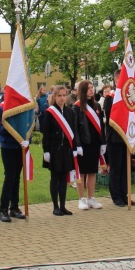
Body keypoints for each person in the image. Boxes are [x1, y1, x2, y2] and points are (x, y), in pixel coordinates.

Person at [42, 85, 77, 215]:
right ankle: (55, 206)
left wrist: (74, 147)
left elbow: (73, 131)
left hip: (66, 149)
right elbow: (45, 133)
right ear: (54, 96)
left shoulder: (69, 112)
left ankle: (63, 205)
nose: (62, 98)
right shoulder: (50, 112)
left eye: (64, 95)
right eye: (59, 96)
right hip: (54, 149)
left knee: (64, 178)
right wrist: (46, 150)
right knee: (55, 177)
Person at [0, 97, 29, 222]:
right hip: (7, 146)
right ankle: (3, 209)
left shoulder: (21, 108)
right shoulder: (0, 109)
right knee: (10, 176)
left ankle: (14, 207)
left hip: (19, 146)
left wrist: (26, 135)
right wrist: (13, 127)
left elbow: (28, 123)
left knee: (17, 177)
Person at [74, 80, 106, 209]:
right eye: (89, 88)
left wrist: (103, 142)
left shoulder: (97, 105)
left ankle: (91, 197)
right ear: (83, 90)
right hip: (83, 144)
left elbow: (101, 126)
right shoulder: (77, 107)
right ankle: (81, 199)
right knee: (82, 172)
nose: (92, 90)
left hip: (95, 143)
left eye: (92, 88)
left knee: (93, 171)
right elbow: (75, 127)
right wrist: (77, 145)